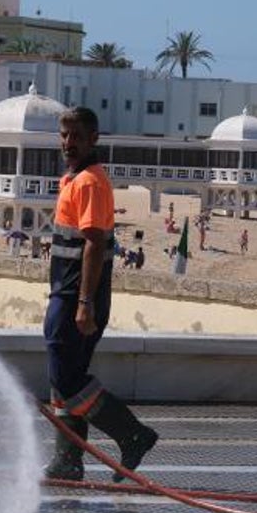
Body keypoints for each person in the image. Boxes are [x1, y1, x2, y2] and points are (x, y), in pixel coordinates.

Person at [42, 107, 158, 482]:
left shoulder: (90, 182)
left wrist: (84, 304)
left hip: (78, 295)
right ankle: (68, 460)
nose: (68, 143)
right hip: (68, 292)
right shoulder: (73, 179)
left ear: (93, 139)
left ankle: (132, 434)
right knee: (65, 377)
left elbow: (93, 244)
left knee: (66, 376)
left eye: (76, 136)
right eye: (63, 135)